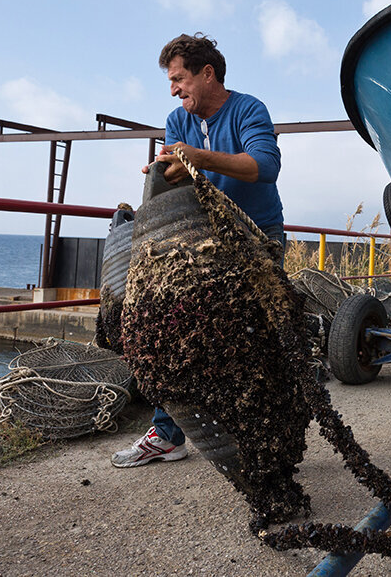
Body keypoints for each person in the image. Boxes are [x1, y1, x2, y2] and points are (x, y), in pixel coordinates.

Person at [112, 33, 285, 468]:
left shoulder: (248, 109)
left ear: (207, 74)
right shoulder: (177, 119)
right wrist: (163, 171)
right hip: (200, 246)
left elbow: (264, 166)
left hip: (255, 240)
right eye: (171, 82)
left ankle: (266, 438)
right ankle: (168, 435)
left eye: (179, 79)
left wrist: (199, 157)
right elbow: (182, 175)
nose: (174, 89)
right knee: (171, 332)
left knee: (253, 341)